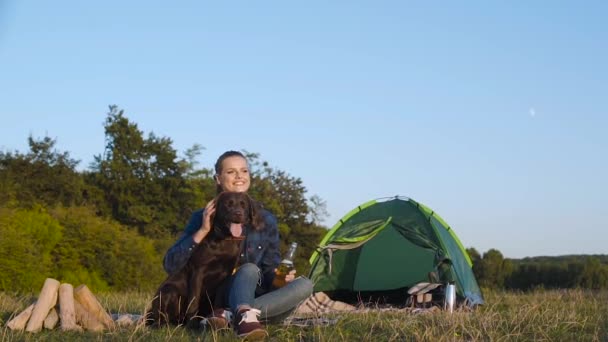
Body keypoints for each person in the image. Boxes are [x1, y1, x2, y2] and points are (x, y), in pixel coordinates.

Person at [163, 150, 313, 339]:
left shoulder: (266, 220)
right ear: (218, 178)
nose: (239, 177)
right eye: (231, 172)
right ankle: (241, 316)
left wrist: (279, 278)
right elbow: (171, 265)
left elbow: (269, 271)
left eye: (244, 171)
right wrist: (202, 231)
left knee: (305, 285)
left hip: (256, 296)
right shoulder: (202, 217)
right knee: (249, 269)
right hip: (218, 296)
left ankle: (234, 316)